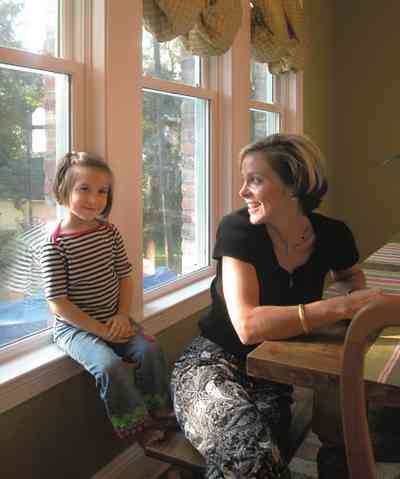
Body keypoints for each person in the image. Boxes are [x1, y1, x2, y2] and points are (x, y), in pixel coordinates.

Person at [171, 133, 382, 478]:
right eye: (244, 180)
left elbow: (351, 278)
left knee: (263, 458)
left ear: (293, 184)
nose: (243, 192)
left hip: (271, 374)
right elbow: (248, 326)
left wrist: (348, 296)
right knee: (249, 456)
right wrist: (338, 309)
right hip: (211, 363)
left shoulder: (332, 234)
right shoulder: (238, 230)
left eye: (255, 180)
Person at [40, 152, 174, 447]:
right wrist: (101, 332)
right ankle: (138, 425)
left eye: (102, 191)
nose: (94, 199)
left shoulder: (108, 232)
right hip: (74, 329)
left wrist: (122, 315)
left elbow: (125, 277)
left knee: (149, 349)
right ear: (64, 190)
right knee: (109, 366)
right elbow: (58, 303)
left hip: (114, 318)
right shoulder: (55, 243)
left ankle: (159, 407)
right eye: (83, 189)